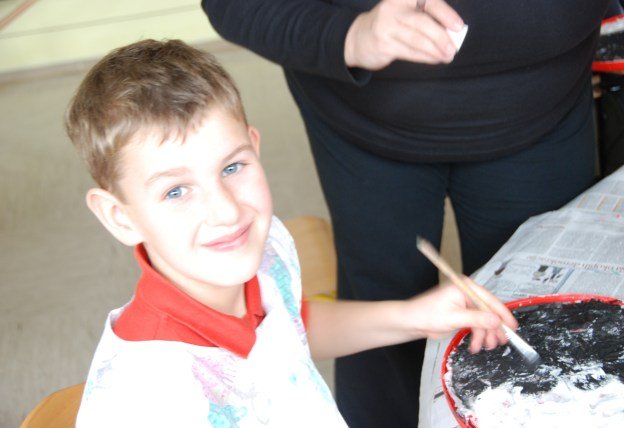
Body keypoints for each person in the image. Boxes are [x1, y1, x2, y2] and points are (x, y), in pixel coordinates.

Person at [65, 39, 516, 427]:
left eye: (232, 167)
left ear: (254, 147)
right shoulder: (144, 395)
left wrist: (413, 316)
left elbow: (289, 326)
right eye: (176, 191)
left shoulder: (259, 251)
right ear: (119, 216)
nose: (227, 211)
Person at [201, 0, 610, 426]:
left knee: (535, 322)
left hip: (544, 112)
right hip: (362, 123)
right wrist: (350, 37)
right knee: (383, 326)